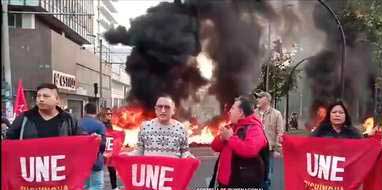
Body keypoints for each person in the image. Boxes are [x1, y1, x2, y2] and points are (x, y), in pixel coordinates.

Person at [210, 95, 269, 188]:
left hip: (243, 182)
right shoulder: (232, 126)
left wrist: (230, 138)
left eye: (233, 108)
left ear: (241, 112)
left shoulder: (255, 128)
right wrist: (221, 138)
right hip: (224, 182)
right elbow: (214, 146)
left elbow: (250, 150)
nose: (229, 111)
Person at [6, 83, 83, 139]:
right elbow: (9, 142)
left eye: (46, 96)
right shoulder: (24, 118)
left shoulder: (69, 119)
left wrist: (92, 138)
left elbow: (82, 140)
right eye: (38, 96)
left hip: (61, 161)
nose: (41, 99)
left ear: (57, 99)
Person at [127, 95, 194, 158]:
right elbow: (139, 151)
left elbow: (185, 152)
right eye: (160, 107)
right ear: (155, 109)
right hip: (150, 170)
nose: (163, 110)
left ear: (173, 110)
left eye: (167, 107)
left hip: (173, 170)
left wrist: (189, 158)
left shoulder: (181, 128)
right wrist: (127, 155)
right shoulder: (145, 127)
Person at [79, 103, 106, 190]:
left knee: (84, 186)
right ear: (96, 111)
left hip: (80, 160)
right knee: (97, 185)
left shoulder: (78, 123)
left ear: (85, 111)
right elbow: (102, 145)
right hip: (96, 160)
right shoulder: (100, 125)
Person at [98, 107, 119, 190]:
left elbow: (111, 136)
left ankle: (114, 187)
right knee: (99, 169)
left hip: (109, 149)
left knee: (112, 168)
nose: (110, 115)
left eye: (111, 114)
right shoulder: (100, 124)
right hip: (101, 149)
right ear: (103, 114)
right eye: (108, 114)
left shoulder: (110, 124)